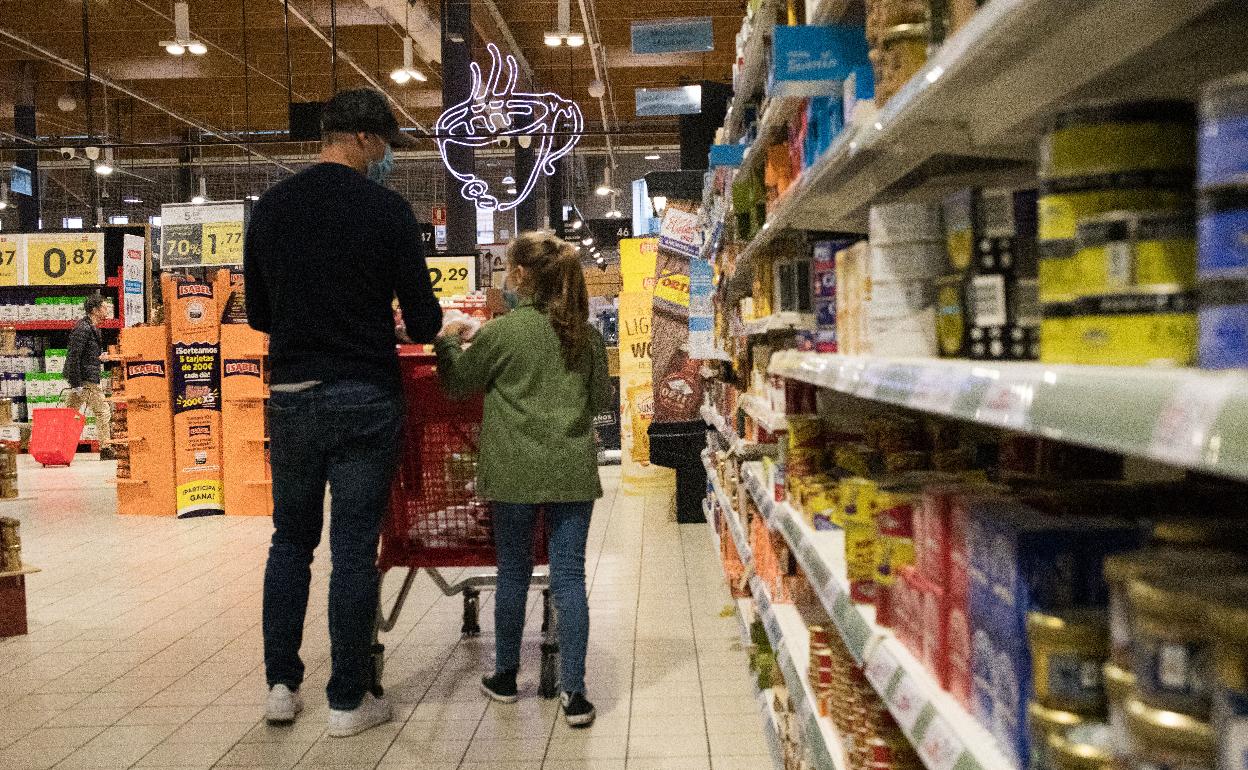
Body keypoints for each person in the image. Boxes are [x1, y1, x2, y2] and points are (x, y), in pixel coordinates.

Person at [244, 88, 442, 738]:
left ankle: (280, 686)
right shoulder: (386, 211)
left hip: (294, 397)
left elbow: (260, 317)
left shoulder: (272, 208)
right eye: (385, 144)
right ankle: (347, 701)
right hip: (364, 396)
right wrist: (378, 317)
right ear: (362, 138)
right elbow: (424, 319)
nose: (386, 156)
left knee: (290, 543)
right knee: (354, 550)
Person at [436, 232, 609, 729]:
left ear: (522, 277)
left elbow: (458, 383)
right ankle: (575, 695)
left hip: (512, 471)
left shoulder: (503, 332)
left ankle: (507, 677)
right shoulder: (586, 336)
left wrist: (446, 342)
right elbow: (598, 399)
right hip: (572, 471)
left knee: (513, 572)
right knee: (569, 578)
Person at [64, 295, 112, 459]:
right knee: (103, 411)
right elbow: (73, 356)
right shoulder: (83, 328)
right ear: (95, 310)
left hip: (84, 377)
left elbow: (85, 355)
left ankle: (58, 444)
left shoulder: (92, 327)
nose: (107, 310)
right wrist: (76, 383)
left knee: (68, 413)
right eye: (104, 307)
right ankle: (106, 448)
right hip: (85, 379)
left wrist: (99, 356)